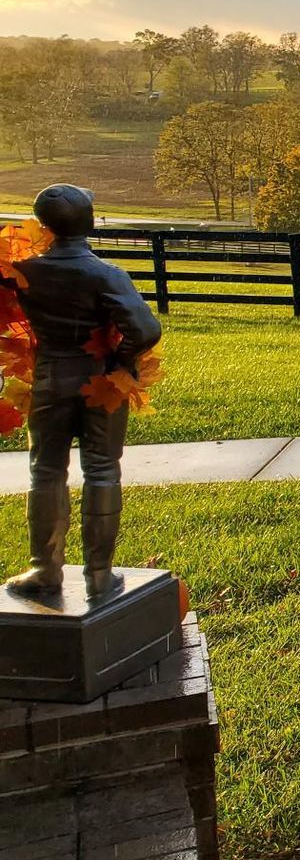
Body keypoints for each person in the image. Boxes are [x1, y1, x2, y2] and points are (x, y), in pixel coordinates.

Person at [4, 185, 162, 599]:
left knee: (46, 472)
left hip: (49, 377)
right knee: (103, 470)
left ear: (45, 225)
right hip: (100, 381)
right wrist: (119, 359)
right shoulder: (104, 274)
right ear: (89, 221)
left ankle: (44, 569)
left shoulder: (22, 272)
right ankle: (97, 574)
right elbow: (144, 329)